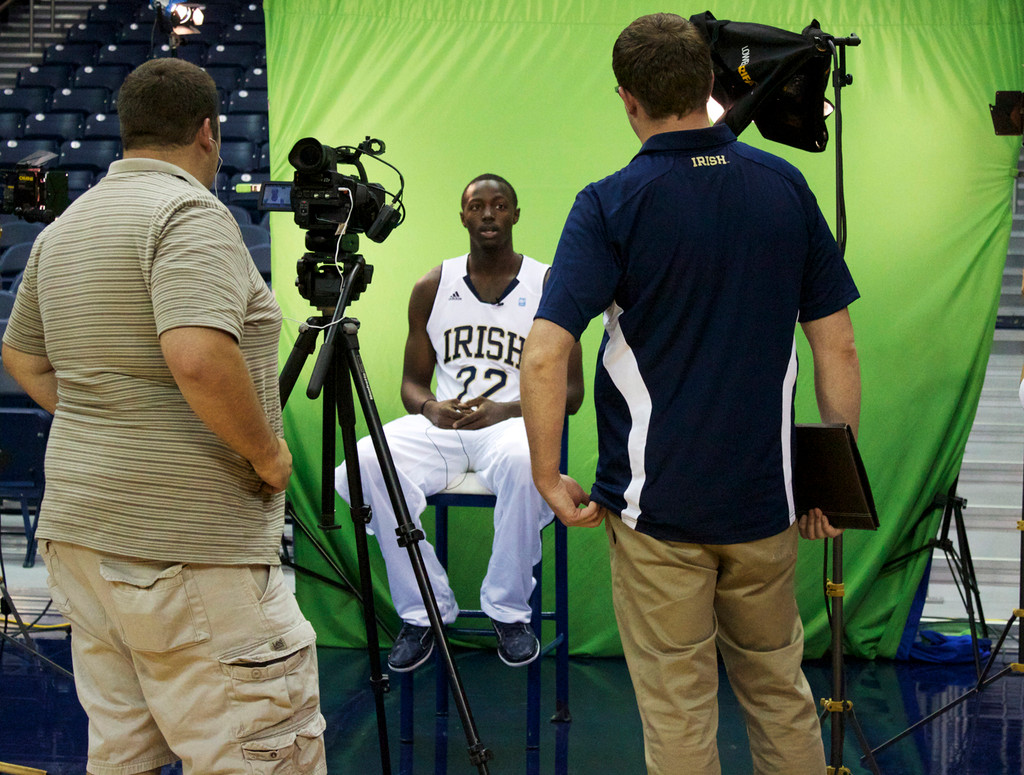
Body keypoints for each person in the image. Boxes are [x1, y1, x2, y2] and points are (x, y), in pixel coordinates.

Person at [521, 13, 861, 775]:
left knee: (678, 709)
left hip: (654, 513)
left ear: (627, 100)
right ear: (712, 82)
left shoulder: (609, 203)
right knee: (779, 691)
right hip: (765, 510)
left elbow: (545, 356)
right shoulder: (785, 185)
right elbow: (836, 343)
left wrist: (547, 474)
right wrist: (830, 485)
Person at [1, 58, 327, 774]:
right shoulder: (186, 213)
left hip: (83, 539)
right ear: (208, 133)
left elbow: (22, 358)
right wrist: (267, 453)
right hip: (185, 544)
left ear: (127, 132)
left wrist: (111, 415)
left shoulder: (65, 227)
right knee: (260, 754)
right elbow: (199, 356)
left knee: (124, 751)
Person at [335, 174, 584, 672]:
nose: (488, 214)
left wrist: (507, 409)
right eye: (477, 206)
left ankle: (508, 611)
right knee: (364, 461)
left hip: (512, 423)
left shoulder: (547, 282)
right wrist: (431, 408)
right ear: (463, 216)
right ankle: (424, 609)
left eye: (499, 205)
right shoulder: (433, 285)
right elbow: (411, 385)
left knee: (523, 459)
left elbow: (572, 394)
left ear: (515, 214)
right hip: (445, 425)